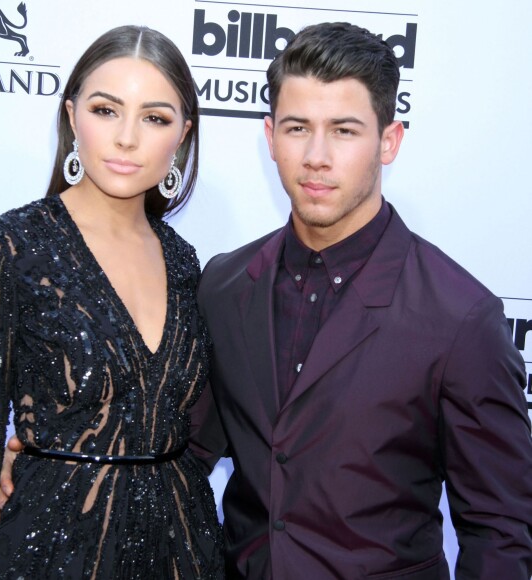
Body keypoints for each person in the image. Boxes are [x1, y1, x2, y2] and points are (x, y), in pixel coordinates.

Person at [194, 22, 532, 579]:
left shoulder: (460, 318)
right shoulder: (226, 285)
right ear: (270, 135)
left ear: (389, 140)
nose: (317, 156)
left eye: (345, 130)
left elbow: (498, 529)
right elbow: (181, 453)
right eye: (298, 127)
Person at [0, 25, 224, 579]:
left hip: (184, 547)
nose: (127, 138)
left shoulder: (185, 261)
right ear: (72, 116)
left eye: (155, 118)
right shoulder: (8, 245)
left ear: (182, 135)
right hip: (50, 549)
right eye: (106, 110)